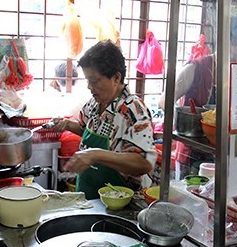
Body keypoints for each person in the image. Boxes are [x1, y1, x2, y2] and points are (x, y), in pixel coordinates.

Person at [51, 40, 158, 199]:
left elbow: (144, 163)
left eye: (94, 81)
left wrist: (96, 155)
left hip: (121, 204)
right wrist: (66, 124)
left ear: (116, 78)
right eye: (87, 81)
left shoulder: (133, 110)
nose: (89, 86)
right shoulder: (95, 103)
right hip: (90, 199)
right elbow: (85, 128)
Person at [158, 17, 237, 179]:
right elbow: (164, 101)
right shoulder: (196, 68)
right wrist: (188, 117)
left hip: (224, 154)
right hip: (193, 156)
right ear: (230, 41)